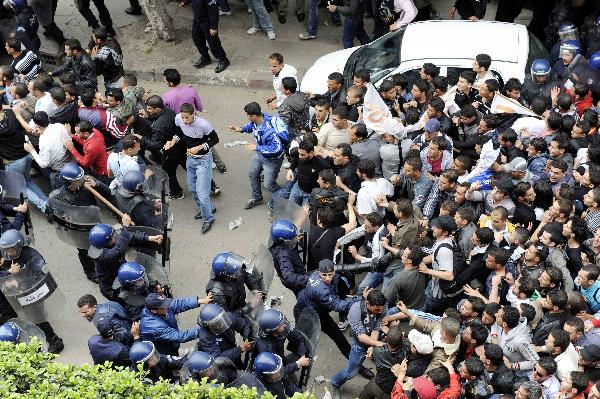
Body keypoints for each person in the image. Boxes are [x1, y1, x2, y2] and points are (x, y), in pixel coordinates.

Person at [293, 259, 374, 379]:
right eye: (324, 275)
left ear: (334, 272)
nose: (327, 278)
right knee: (303, 342)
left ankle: (357, 366)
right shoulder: (320, 290)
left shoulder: (323, 274)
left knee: (340, 340)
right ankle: (293, 368)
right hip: (308, 314)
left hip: (314, 309)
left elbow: (348, 268)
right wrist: (360, 298)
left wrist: (371, 265)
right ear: (318, 273)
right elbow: (337, 306)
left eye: (330, 274)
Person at [0, 229, 64, 353]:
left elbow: (40, 274)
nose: (9, 252)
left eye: (11, 249)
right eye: (6, 250)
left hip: (33, 293)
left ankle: (54, 342)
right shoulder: (12, 256)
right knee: (33, 317)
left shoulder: (31, 255)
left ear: (19, 246)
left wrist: (17, 276)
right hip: (21, 294)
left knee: (37, 317)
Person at [228, 102, 287, 210]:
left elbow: (277, 149)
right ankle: (257, 197)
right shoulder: (258, 119)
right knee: (253, 173)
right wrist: (241, 129)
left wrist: (257, 148)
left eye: (248, 115)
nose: (247, 117)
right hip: (260, 155)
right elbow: (252, 126)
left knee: (269, 185)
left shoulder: (269, 132)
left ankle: (284, 197)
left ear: (254, 116)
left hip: (272, 160)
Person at [171, 103, 219, 233]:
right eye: (183, 117)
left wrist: (199, 147)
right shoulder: (178, 119)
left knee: (203, 194)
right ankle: (204, 209)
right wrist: (173, 141)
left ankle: (208, 218)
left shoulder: (204, 124)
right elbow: (178, 131)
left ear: (194, 115)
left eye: (187, 118)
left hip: (203, 160)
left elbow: (215, 139)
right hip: (190, 159)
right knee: (192, 188)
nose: (184, 121)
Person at [88, 220, 162, 302]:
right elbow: (119, 249)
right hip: (113, 288)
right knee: (129, 305)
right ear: (105, 243)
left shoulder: (108, 243)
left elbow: (129, 237)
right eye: (113, 236)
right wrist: (125, 226)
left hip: (124, 275)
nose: (116, 236)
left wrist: (149, 238)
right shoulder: (102, 256)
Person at [330, 289, 386, 397]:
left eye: (381, 309)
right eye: (377, 309)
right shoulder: (355, 310)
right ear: (368, 303)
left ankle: (361, 368)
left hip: (373, 339)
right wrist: (376, 344)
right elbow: (361, 337)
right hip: (359, 345)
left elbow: (376, 328)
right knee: (350, 373)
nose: (380, 311)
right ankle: (335, 383)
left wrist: (372, 346)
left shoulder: (382, 306)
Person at [140, 292, 212, 356]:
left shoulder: (160, 307)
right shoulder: (152, 326)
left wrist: (201, 301)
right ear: (154, 311)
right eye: (163, 307)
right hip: (161, 353)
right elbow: (179, 336)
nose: (167, 307)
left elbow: (178, 304)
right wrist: (202, 330)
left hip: (171, 345)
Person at [269, 220, 309, 295]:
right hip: (298, 281)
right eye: (294, 238)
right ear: (285, 241)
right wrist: (309, 280)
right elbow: (289, 277)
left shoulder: (275, 239)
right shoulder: (283, 254)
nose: (297, 237)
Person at [191, 0, 230, 73]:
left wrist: (214, 27)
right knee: (197, 38)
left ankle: (223, 60)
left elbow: (213, 12)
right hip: (197, 19)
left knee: (213, 42)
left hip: (208, 21)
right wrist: (185, 2)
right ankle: (205, 57)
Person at [89, 27, 123, 92]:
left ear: (99, 40)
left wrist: (94, 57)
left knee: (112, 93)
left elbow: (97, 72)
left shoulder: (102, 55)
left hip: (112, 79)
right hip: (119, 69)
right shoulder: (109, 38)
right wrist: (89, 47)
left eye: (93, 37)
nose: (92, 38)